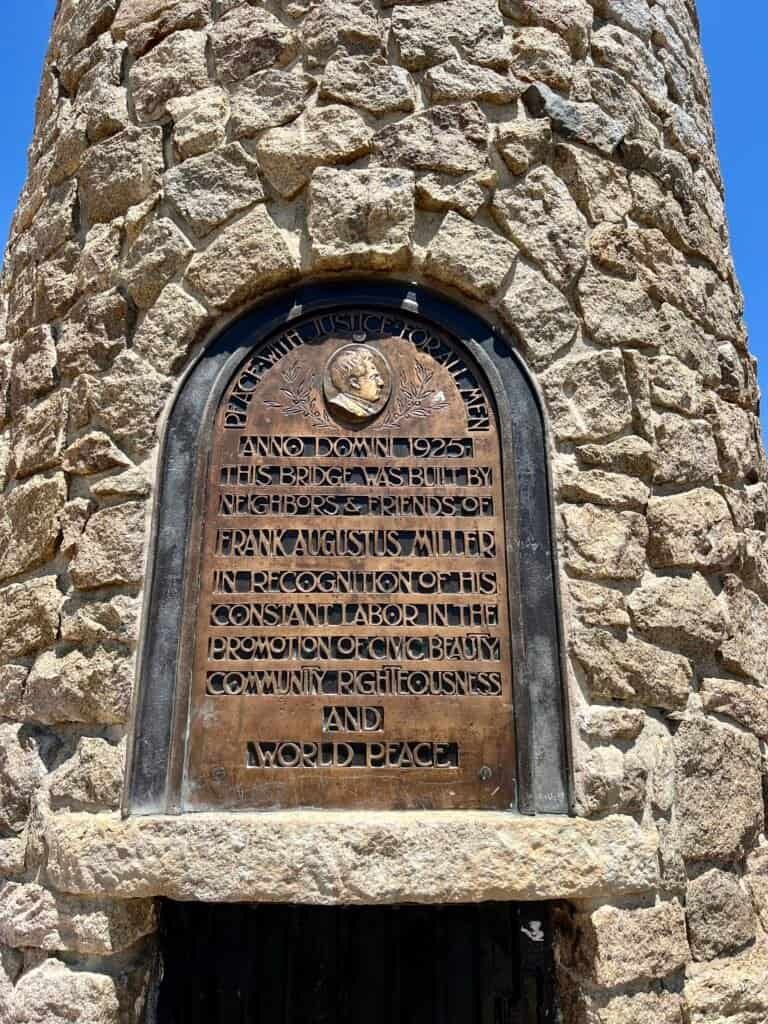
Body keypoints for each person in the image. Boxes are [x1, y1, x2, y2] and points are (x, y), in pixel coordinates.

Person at [326, 345, 387, 419]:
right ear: (354, 383)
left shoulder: (365, 408)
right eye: (374, 377)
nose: (381, 383)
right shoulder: (341, 405)